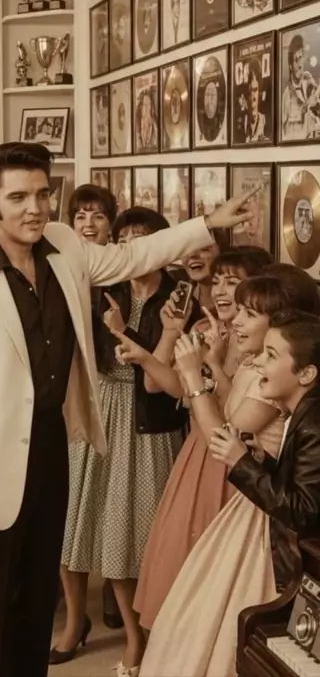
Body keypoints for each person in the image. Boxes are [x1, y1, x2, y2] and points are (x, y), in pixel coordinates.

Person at [0, 142, 251, 677]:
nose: (35, 208)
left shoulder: (66, 245)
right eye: (18, 197)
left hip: (54, 445)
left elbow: (135, 256)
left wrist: (207, 224)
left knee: (36, 600)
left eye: (42, 194)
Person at [138, 275, 317, 677]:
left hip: (259, 510)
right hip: (251, 495)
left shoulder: (301, 411)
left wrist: (194, 378)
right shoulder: (284, 391)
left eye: (249, 313)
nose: (237, 319)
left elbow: (301, 507)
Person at [53, 208, 202, 676]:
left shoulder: (179, 298)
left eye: (143, 240)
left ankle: (143, 637)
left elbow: (158, 378)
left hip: (147, 426)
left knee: (132, 537)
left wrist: (122, 329)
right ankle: (85, 624)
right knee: (77, 526)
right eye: (124, 241)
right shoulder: (103, 288)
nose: (132, 249)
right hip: (100, 411)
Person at [131, 247, 272, 632]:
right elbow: (162, 386)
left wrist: (207, 368)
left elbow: (232, 420)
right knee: (178, 555)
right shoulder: (203, 330)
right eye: (218, 281)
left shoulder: (260, 346)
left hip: (231, 460)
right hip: (197, 454)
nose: (222, 290)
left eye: (233, 281)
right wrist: (162, 341)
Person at [213, 310, 320, 591]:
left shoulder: (314, 425)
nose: (258, 362)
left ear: (306, 374)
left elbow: (303, 513)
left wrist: (241, 464)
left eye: (271, 355)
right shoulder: (305, 415)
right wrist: (265, 463)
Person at [66, 183, 123, 629]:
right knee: (72, 512)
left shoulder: (125, 277)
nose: (88, 224)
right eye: (80, 216)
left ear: (111, 226)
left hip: (119, 402)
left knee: (113, 509)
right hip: (74, 400)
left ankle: (112, 595)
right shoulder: (62, 270)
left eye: (98, 216)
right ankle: (74, 619)